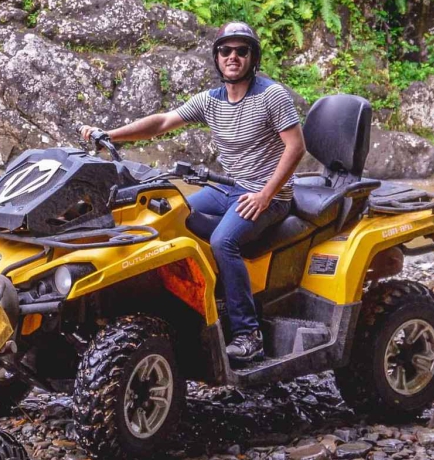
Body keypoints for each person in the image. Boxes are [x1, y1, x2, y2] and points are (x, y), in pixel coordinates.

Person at [79, 22, 305, 363]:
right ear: (216, 57)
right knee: (169, 216)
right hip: (228, 188)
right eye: (225, 51)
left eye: (241, 51)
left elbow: (296, 147)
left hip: (268, 196)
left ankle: (248, 333)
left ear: (252, 57)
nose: (233, 57)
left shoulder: (271, 96)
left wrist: (265, 195)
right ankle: (189, 303)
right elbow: (162, 122)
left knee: (223, 242)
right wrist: (110, 134)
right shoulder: (211, 100)